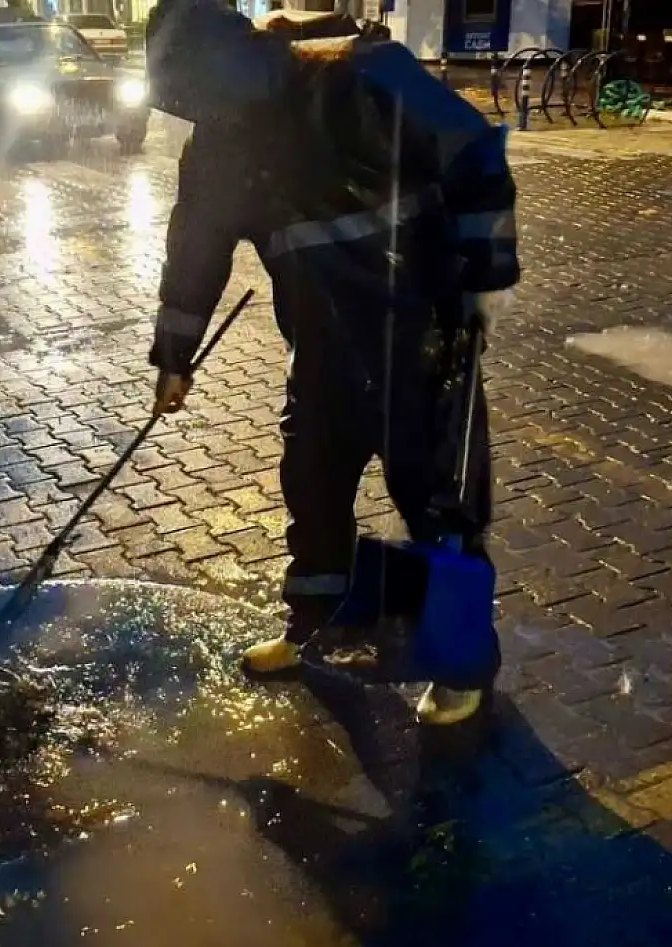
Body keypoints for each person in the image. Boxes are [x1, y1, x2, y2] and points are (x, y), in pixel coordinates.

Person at [144, 0, 520, 725]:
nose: (201, 108)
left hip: (423, 341)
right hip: (320, 350)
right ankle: (318, 626)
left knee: (438, 505)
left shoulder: (366, 75)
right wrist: (174, 357)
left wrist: (477, 287)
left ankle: (463, 666)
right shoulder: (218, 145)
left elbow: (475, 154)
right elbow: (192, 254)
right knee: (313, 493)